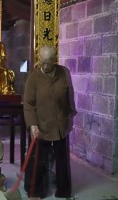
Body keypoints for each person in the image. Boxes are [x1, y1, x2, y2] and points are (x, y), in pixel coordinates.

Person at [23, 46, 77, 199]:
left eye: (49, 62)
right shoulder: (33, 78)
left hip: (60, 124)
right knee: (37, 159)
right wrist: (32, 124)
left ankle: (64, 190)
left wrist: (70, 117)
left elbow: (69, 95)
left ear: (55, 60)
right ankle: (35, 191)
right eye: (43, 62)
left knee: (62, 159)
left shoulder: (64, 72)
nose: (46, 66)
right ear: (39, 60)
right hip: (41, 124)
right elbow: (29, 104)